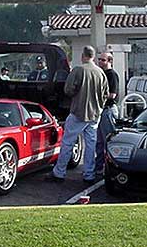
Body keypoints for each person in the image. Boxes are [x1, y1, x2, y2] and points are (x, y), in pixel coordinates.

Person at [45, 46, 108, 184]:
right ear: (93, 56)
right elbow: (105, 95)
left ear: (83, 55)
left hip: (78, 112)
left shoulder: (78, 70)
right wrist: (99, 107)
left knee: (68, 142)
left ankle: (59, 172)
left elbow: (68, 90)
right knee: (91, 145)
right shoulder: (100, 73)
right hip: (95, 114)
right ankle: (89, 174)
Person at [95, 52, 120, 174]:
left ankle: (111, 168)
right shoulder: (101, 74)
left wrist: (97, 96)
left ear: (109, 61)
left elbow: (112, 95)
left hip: (108, 110)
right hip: (101, 110)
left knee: (109, 140)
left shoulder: (112, 75)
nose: (100, 62)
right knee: (99, 141)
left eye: (103, 60)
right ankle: (99, 166)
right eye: (99, 59)